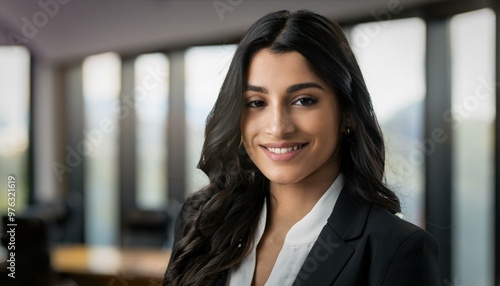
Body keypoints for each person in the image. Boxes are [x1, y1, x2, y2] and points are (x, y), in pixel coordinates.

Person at [163, 10, 440, 286]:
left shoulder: (396, 249)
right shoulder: (202, 222)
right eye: (257, 102)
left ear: (347, 113)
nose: (278, 127)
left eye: (304, 100)